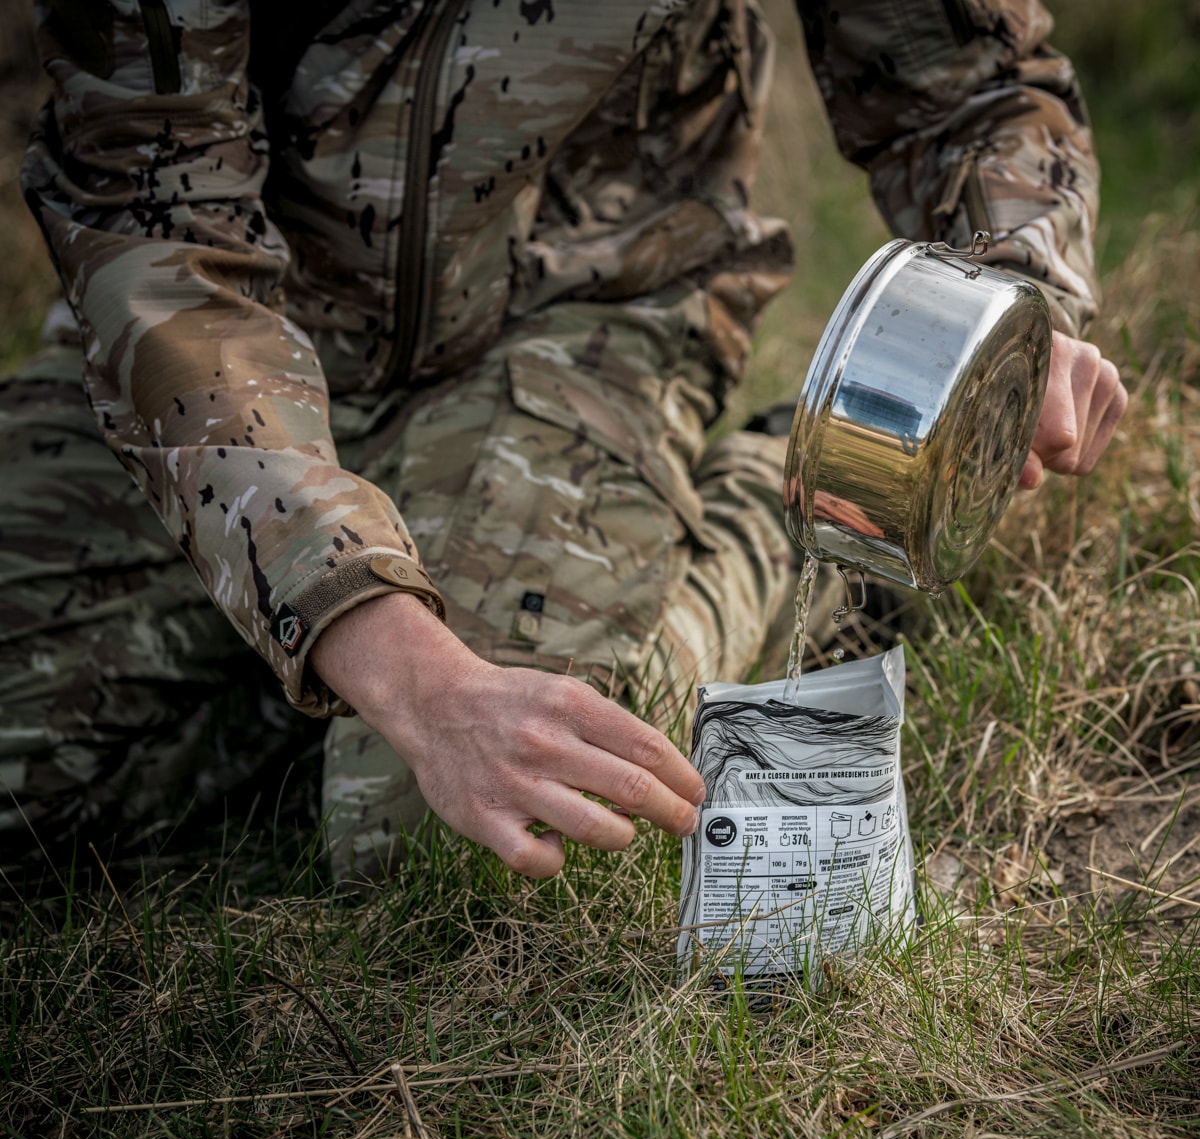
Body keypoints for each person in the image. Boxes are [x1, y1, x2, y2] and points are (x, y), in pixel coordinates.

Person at [1, 0, 1126, 883]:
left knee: (479, 832)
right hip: (233, 349)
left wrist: (1014, 304)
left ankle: (784, 503)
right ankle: (333, 643)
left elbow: (975, 89)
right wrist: (387, 653)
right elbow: (156, 237)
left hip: (588, 314)